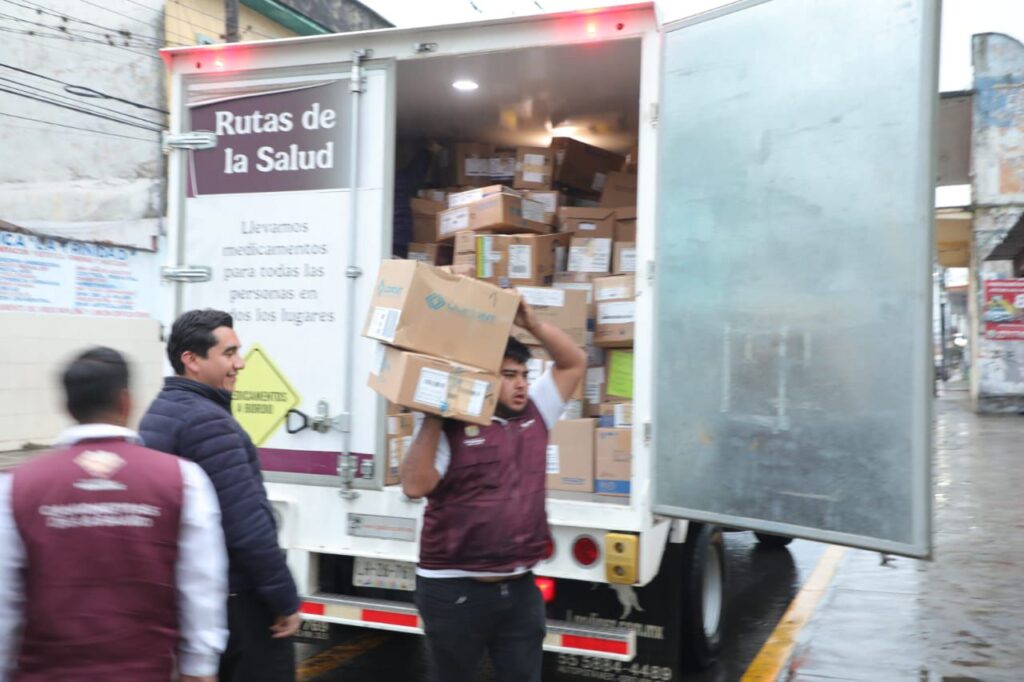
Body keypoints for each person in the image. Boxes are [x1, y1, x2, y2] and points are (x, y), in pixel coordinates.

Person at [0, 347, 227, 682]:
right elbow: (202, 587)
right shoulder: (184, 479)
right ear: (126, 402)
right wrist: (200, 669)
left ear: (67, 407)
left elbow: (5, 602)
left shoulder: (15, 487)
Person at [401, 301, 587, 682]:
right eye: (508, 375)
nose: (521, 384)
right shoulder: (448, 424)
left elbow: (574, 363)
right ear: (484, 378)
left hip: (519, 589)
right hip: (453, 589)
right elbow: (415, 485)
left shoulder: (537, 412)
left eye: (524, 375)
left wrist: (532, 323)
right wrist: (434, 413)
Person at [139, 309, 301, 682]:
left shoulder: (161, 410)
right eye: (229, 353)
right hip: (237, 602)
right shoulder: (209, 423)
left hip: (192, 595)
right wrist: (283, 599)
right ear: (192, 360)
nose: (240, 363)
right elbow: (246, 526)